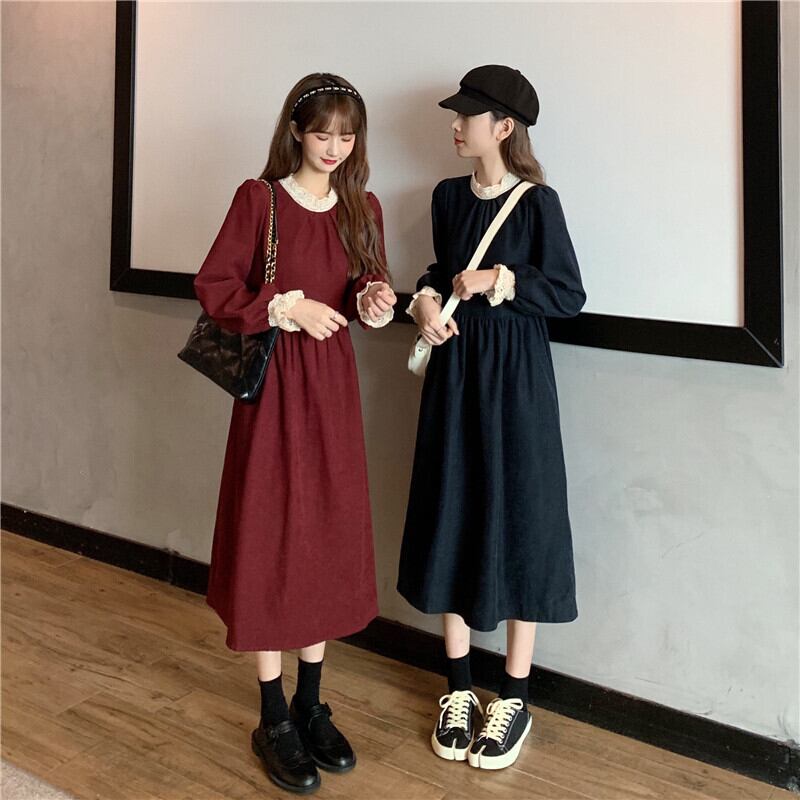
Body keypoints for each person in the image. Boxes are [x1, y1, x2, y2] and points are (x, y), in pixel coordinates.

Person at [194, 72, 397, 795]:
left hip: (332, 390)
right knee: (273, 533)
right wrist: (287, 307)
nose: (335, 148)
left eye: (347, 135)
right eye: (322, 134)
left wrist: (374, 298)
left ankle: (312, 703)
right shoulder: (261, 200)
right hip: (275, 390)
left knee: (324, 536)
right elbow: (217, 287)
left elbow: (366, 281)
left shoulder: (362, 205)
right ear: (295, 133)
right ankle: (273, 714)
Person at [398, 64, 586, 771]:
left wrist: (500, 280)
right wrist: (424, 300)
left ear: (503, 127)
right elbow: (435, 273)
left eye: (468, 115)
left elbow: (567, 294)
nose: (456, 126)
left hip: (516, 382)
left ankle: (513, 695)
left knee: (520, 514)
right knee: (455, 505)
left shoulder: (538, 203)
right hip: (456, 375)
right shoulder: (447, 197)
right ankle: (457, 688)